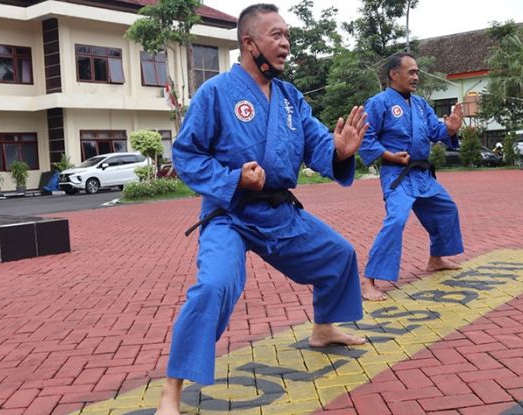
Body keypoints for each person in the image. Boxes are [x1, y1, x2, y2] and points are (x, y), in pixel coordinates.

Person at [155, 4, 369, 414]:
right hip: (229, 214)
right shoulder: (215, 93)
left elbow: (317, 145)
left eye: (287, 35)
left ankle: (323, 328)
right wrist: (234, 179)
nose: (286, 43)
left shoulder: (291, 98)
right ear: (249, 43)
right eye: (276, 35)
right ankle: (172, 388)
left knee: (338, 254)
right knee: (214, 286)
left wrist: (339, 151)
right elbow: (186, 154)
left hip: (278, 212)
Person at [358, 52, 465, 301]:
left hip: (422, 174)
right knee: (396, 220)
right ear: (394, 74)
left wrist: (449, 129)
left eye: (417, 72)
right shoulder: (379, 102)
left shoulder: (420, 104)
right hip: (397, 174)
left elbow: (435, 131)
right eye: (412, 72)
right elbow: (366, 137)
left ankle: (436, 258)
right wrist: (389, 155)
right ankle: (369, 279)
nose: (416, 77)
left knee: (446, 209)